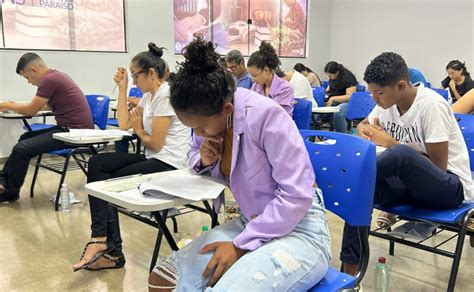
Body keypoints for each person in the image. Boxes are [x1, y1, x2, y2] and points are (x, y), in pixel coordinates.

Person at [148, 34, 331, 291]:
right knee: (163, 279)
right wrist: (204, 159)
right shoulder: (209, 118)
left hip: (299, 229)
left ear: (227, 110)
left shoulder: (268, 117)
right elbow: (193, 154)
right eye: (193, 129)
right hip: (252, 221)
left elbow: (296, 197)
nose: (198, 134)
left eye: (200, 127)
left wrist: (240, 245)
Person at [341, 52, 473, 276]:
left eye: (379, 93)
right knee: (359, 193)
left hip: (449, 188)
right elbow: (366, 123)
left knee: (399, 155)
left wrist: (391, 143)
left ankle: (343, 176)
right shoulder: (386, 103)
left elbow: (437, 168)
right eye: (371, 92)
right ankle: (350, 273)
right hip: (411, 187)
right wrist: (363, 128)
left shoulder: (431, 105)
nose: (374, 98)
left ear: (401, 85)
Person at [72, 43, 191, 271]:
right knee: (98, 163)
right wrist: (123, 87)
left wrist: (139, 129)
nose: (135, 81)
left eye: (135, 76)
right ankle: (101, 240)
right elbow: (125, 124)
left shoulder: (165, 96)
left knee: (106, 184)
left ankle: (111, 250)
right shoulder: (149, 96)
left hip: (170, 164)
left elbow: (154, 142)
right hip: (154, 158)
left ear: (152, 73)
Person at [0, 53, 93, 203]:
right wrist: (14, 106)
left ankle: (10, 192)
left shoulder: (49, 80)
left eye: (27, 78)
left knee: (22, 149)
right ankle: (3, 181)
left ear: (33, 70)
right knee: (24, 138)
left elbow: (31, 110)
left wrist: (7, 105)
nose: (29, 82)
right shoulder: (56, 76)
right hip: (67, 129)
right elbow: (43, 106)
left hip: (75, 133)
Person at [247, 41, 294, 115]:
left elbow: (273, 114)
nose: (252, 79)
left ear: (266, 70)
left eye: (254, 75)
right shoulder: (256, 86)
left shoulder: (285, 88)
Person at [324, 61, 358, 133]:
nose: (329, 78)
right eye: (328, 76)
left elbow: (350, 97)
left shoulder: (348, 78)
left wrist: (333, 99)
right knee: (315, 112)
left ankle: (342, 136)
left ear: (337, 72)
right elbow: (330, 87)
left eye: (330, 76)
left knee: (338, 112)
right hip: (335, 101)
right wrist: (326, 91)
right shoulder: (333, 78)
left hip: (347, 103)